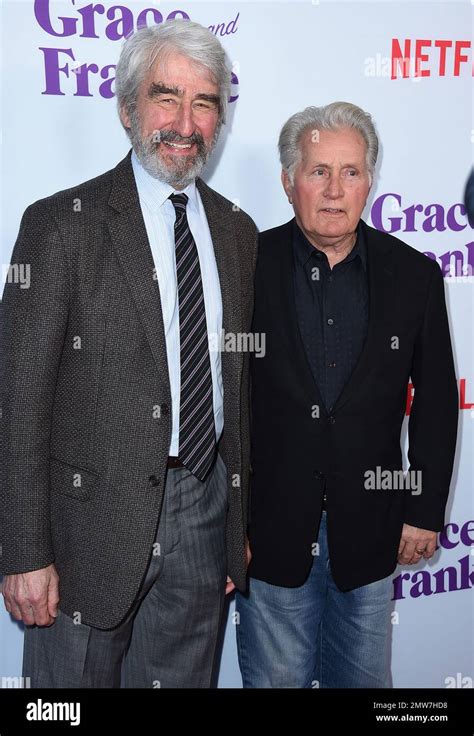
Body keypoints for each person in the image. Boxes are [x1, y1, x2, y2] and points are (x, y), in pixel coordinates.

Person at [0, 19, 257, 688]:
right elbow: (18, 400)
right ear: (126, 108)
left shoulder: (236, 232)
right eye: (165, 96)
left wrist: (236, 531)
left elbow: (240, 390)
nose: (184, 119)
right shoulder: (60, 226)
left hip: (203, 519)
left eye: (205, 102)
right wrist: (24, 551)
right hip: (86, 532)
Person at [235, 102, 458, 688]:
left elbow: (436, 401)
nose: (335, 190)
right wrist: (229, 524)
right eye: (317, 171)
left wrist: (424, 508)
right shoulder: (245, 267)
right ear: (288, 182)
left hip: (373, 532)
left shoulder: (414, 275)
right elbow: (223, 405)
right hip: (270, 535)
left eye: (351, 172)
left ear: (370, 181)